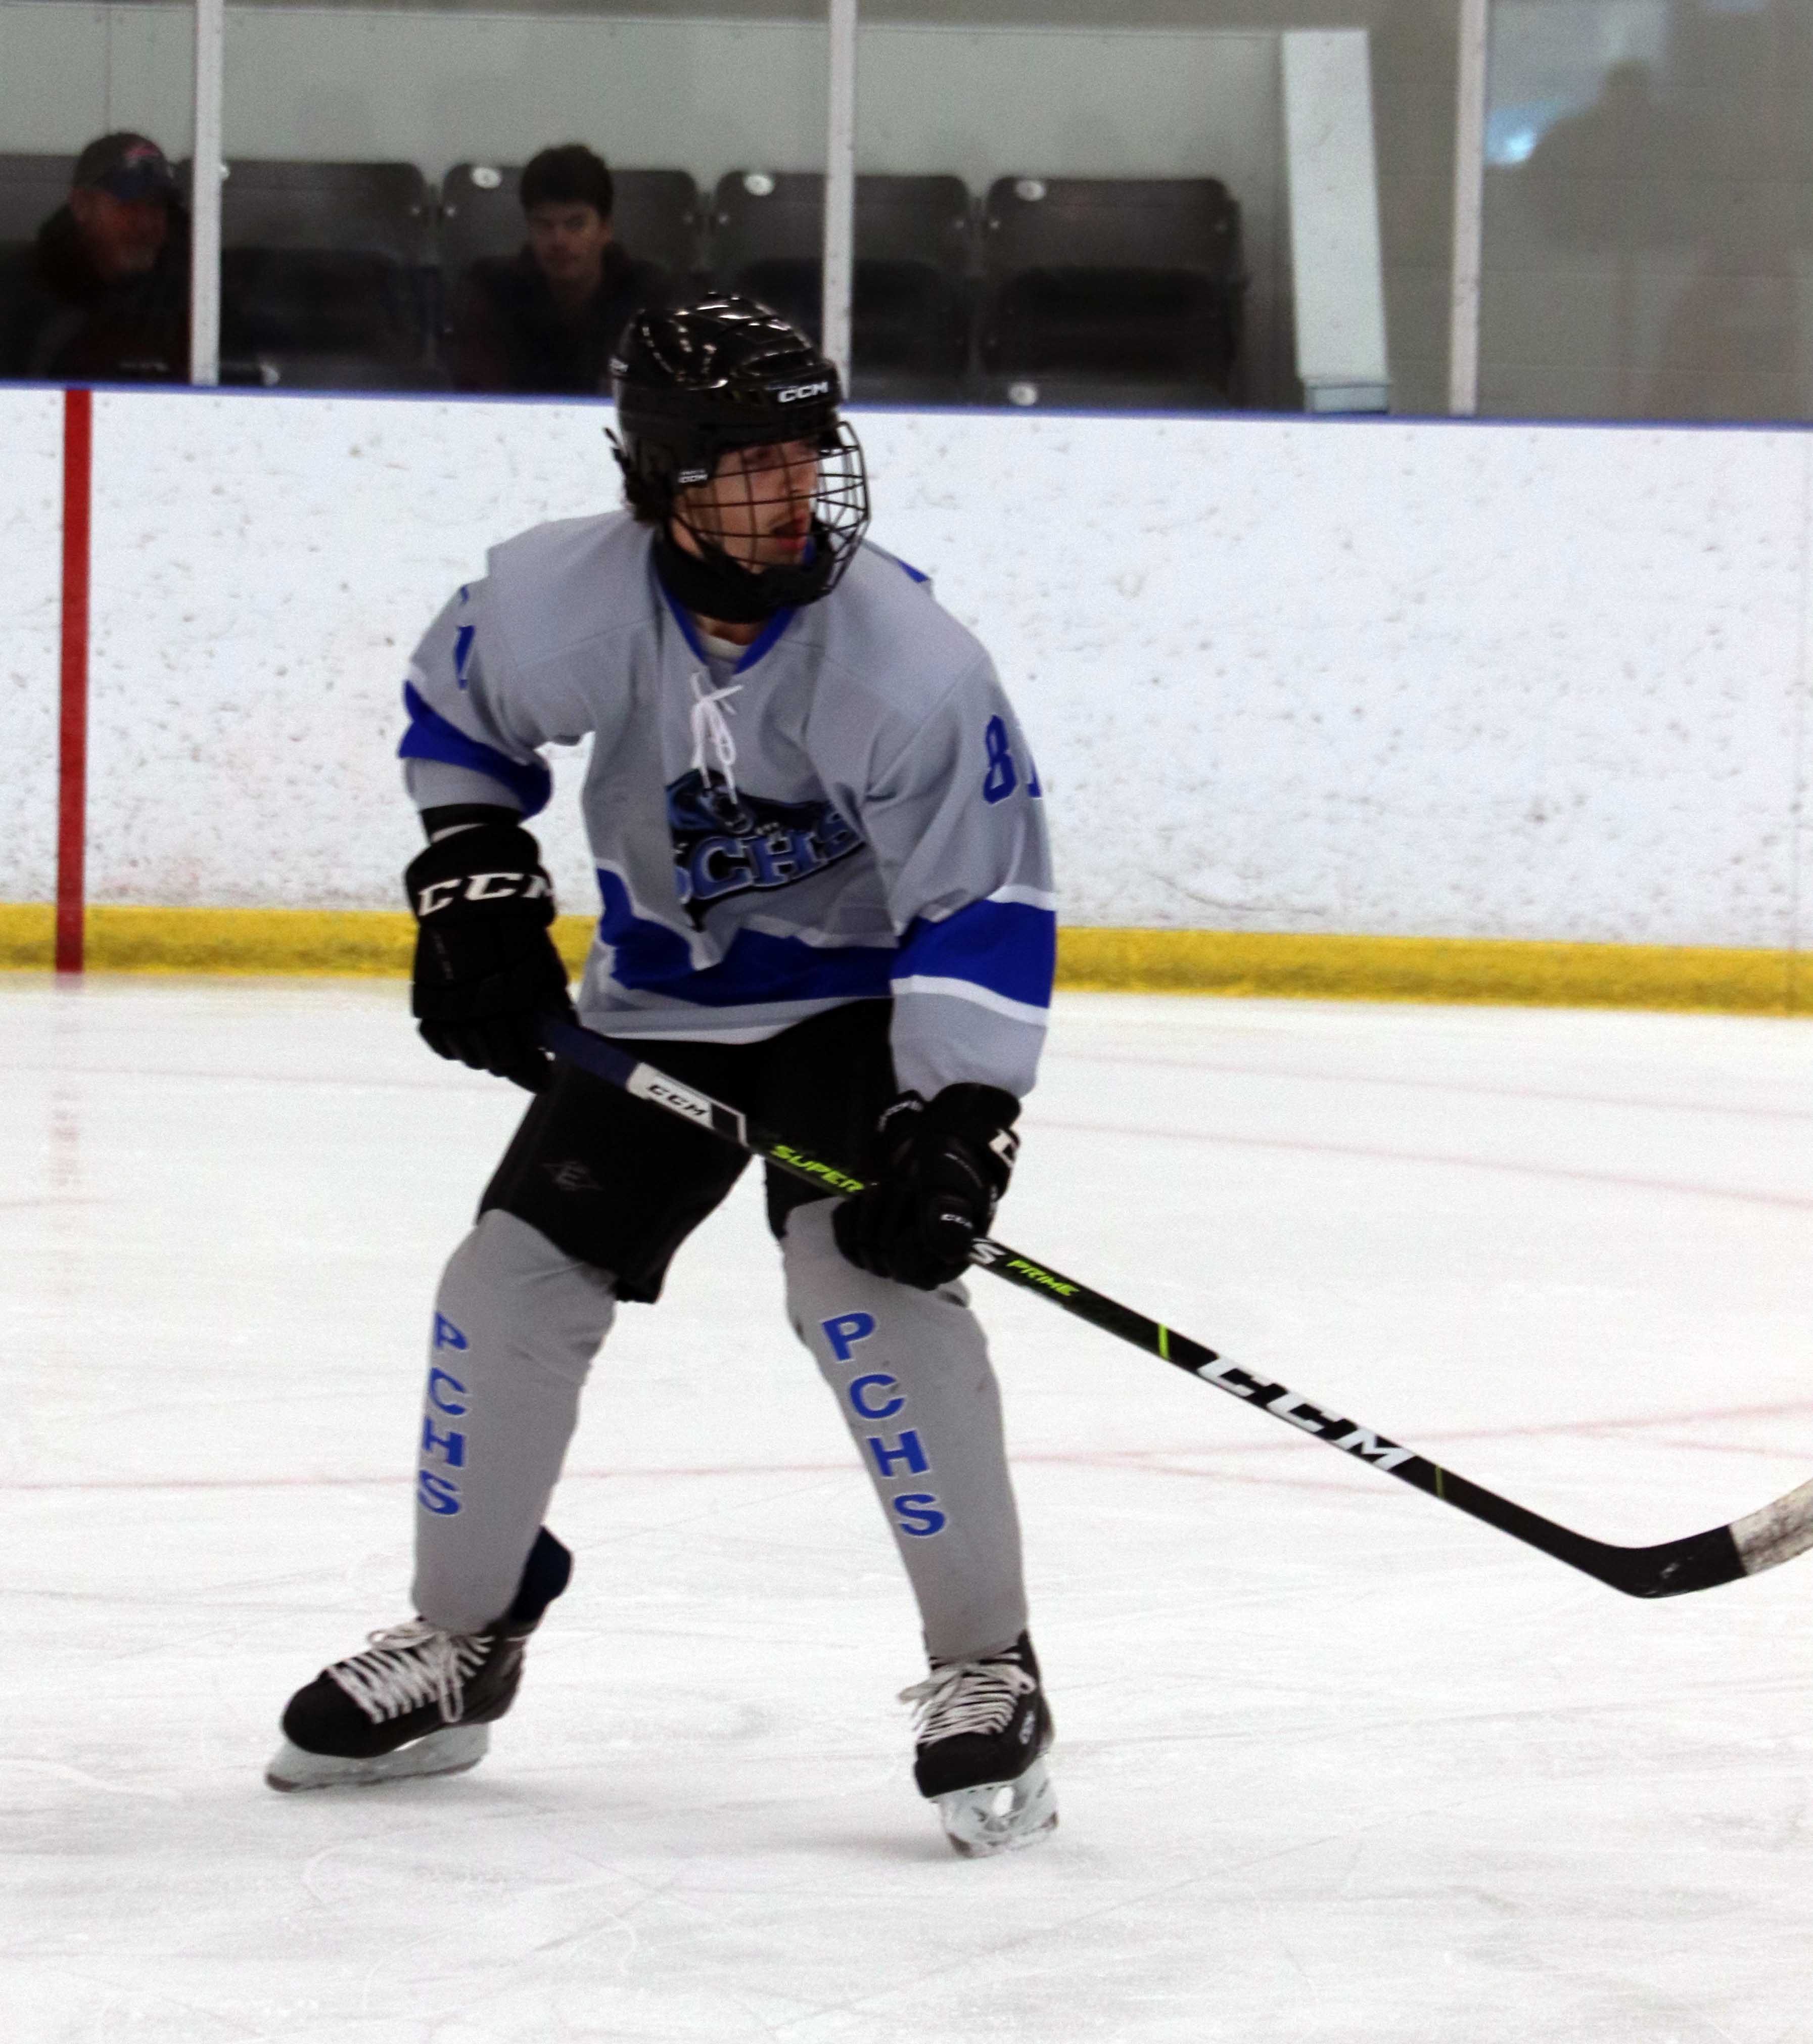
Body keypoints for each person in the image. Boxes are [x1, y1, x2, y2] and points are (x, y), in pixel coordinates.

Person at [267, 296, 1060, 1857]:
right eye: (749, 462)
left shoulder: (908, 663)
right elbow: (458, 709)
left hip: (853, 1005)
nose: (793, 491)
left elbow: (980, 897)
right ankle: (465, 1635)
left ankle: (989, 1667)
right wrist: (476, 878)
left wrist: (962, 1116)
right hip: (660, 1003)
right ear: (661, 479)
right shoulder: (559, 601)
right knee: (506, 1282)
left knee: (863, 1287)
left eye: (806, 452)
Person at [447, 144, 670, 395]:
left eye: (576, 225)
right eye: (544, 225)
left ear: (605, 228)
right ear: (529, 228)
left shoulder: (647, 296)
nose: (559, 241)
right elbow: (481, 399)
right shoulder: (492, 291)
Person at [0, 133, 190, 382]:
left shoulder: (195, 292)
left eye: (156, 206)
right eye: (128, 205)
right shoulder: (17, 296)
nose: (145, 224)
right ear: (82, 206)